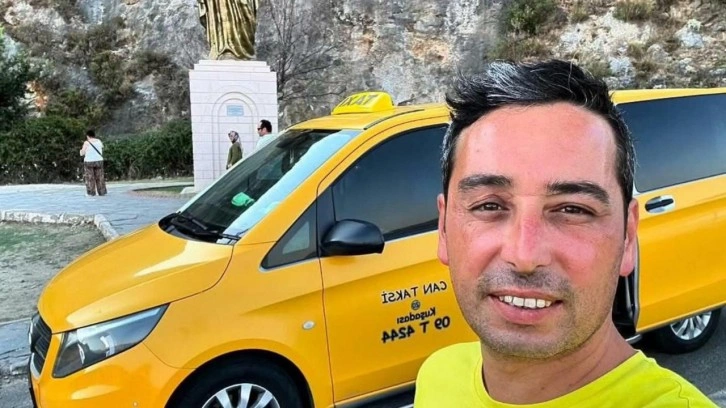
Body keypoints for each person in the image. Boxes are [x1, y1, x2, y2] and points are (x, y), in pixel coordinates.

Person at [414, 60, 716, 407]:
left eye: (573, 210)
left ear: (628, 238)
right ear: (443, 229)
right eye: (489, 206)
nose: (525, 256)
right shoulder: (439, 374)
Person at [79, 129, 107, 197]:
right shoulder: (99, 141)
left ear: (88, 136)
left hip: (89, 162)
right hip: (99, 161)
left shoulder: (86, 142)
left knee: (90, 177)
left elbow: (82, 153)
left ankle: (91, 193)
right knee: (100, 177)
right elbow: (101, 148)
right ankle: (102, 192)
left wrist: (81, 151)